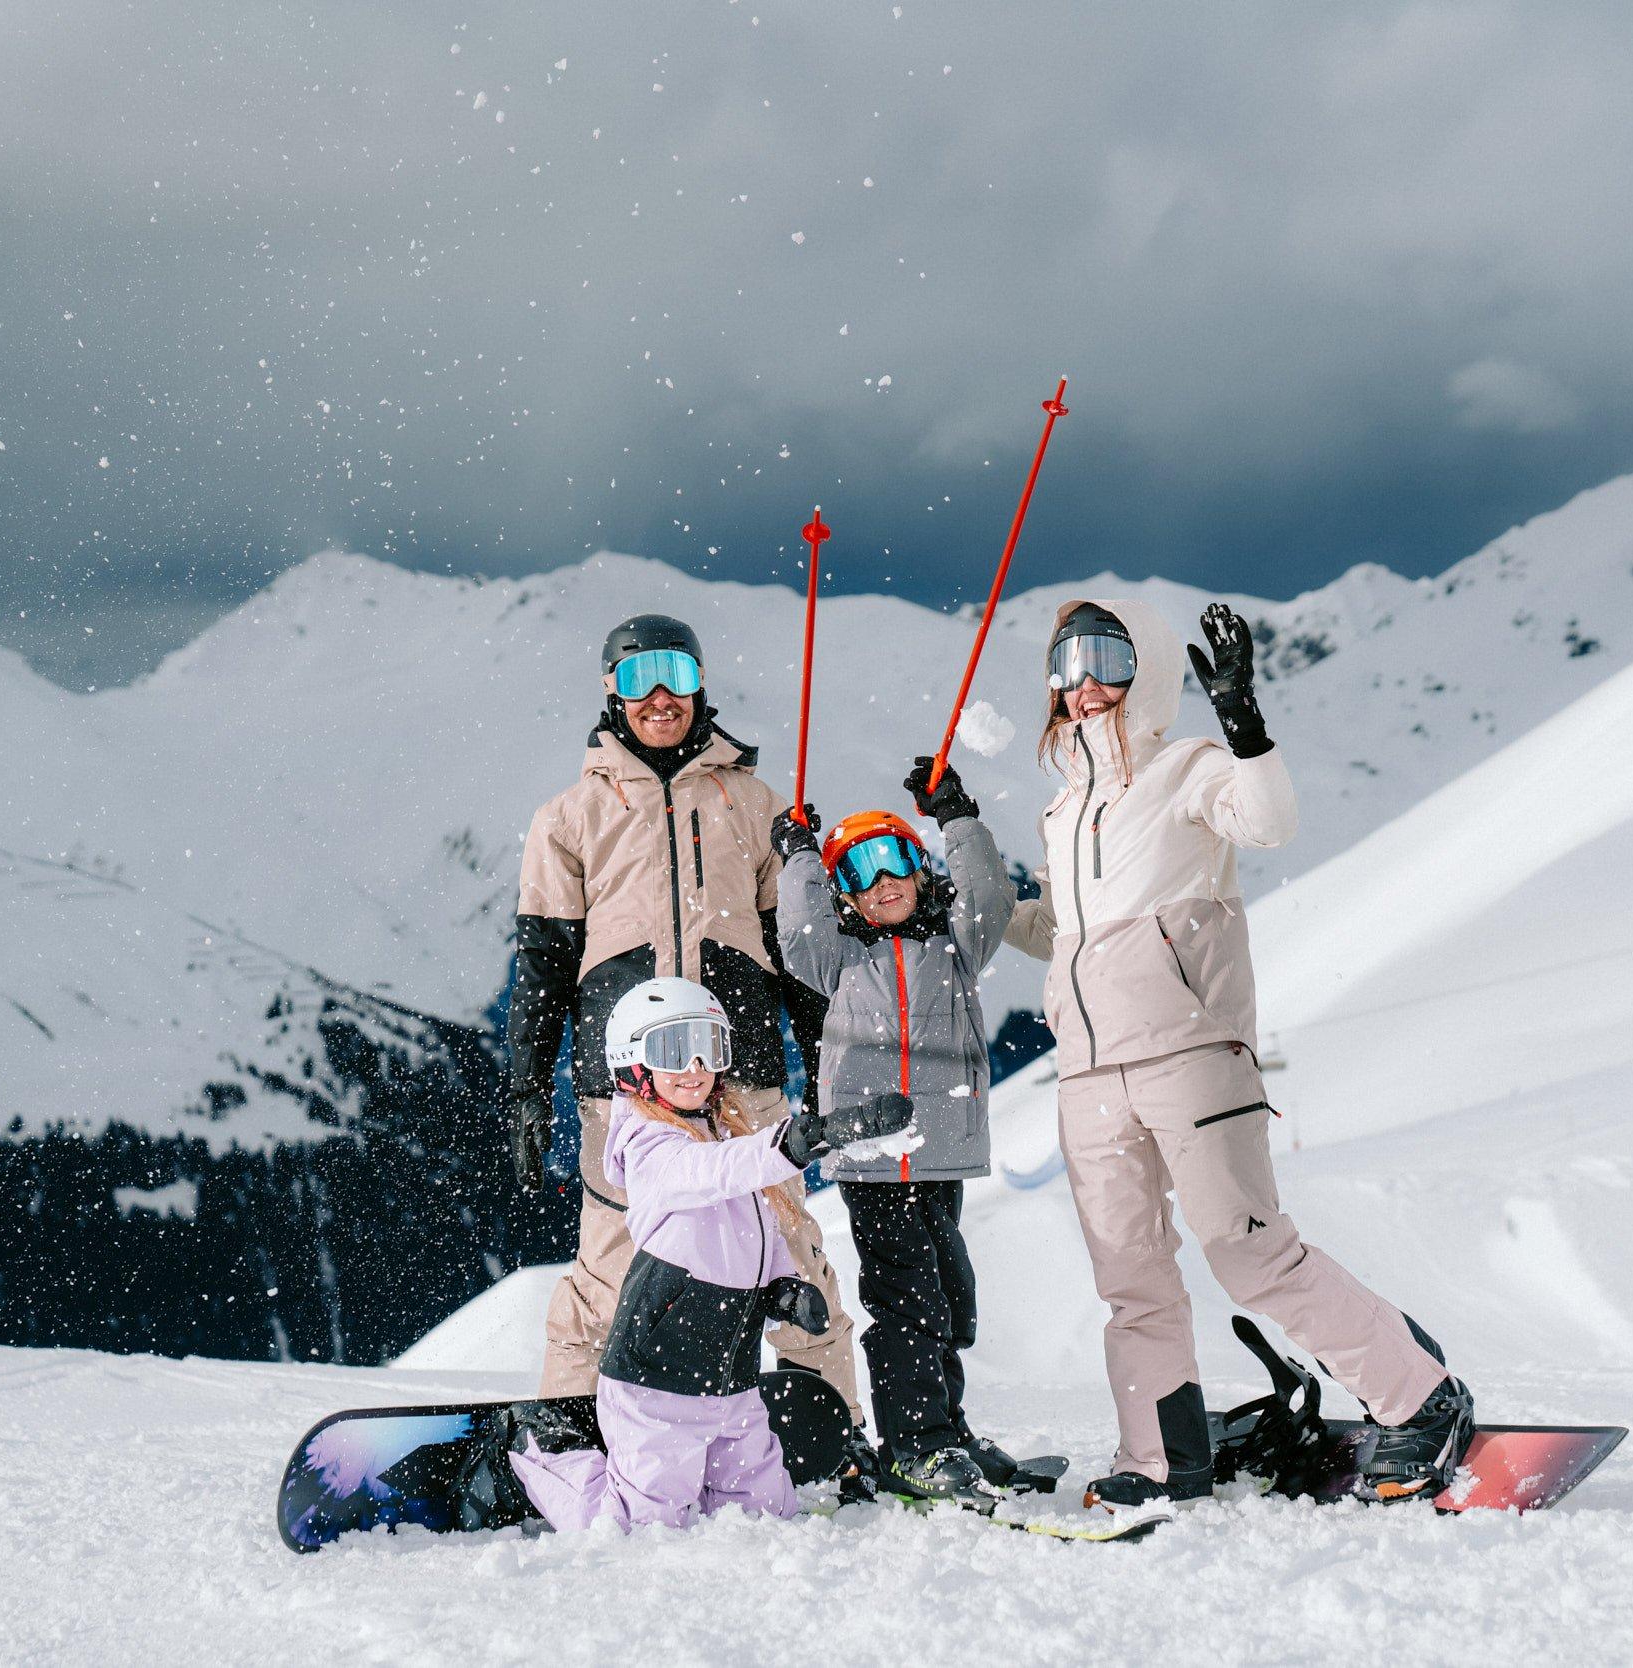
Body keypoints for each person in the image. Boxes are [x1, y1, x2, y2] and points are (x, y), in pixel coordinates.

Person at [1003, 597, 1476, 1511]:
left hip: (1189, 1052)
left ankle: (1420, 1397)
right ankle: (1158, 1458)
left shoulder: (1188, 768)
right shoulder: (1062, 811)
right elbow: (1070, 930)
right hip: (1089, 1074)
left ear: (1146, 670)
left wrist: (1245, 724)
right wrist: (969, 904)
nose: (1085, 682)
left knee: (1247, 1250)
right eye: (1066, 663)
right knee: (1131, 1280)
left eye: (1106, 656)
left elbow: (1269, 822)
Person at [504, 613, 861, 1431]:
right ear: (610, 692)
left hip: (741, 1082)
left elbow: (799, 955)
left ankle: (834, 1435)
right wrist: (526, 1086)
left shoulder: (756, 802)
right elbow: (544, 966)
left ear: (701, 683)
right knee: (609, 1271)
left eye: (675, 674)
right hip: (629, 1090)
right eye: (637, 678)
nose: (659, 696)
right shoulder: (570, 817)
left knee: (792, 1256)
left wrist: (826, 1060)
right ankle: (573, 1435)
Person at [508, 979, 915, 1533]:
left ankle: (693, 1476)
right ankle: (543, 1453)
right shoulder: (649, 1147)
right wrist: (798, 1141)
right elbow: (712, 1174)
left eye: (709, 1046)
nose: (695, 1066)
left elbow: (752, 1235)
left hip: (731, 1380)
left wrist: (781, 1291)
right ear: (632, 1063)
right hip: (657, 1383)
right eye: (673, 1050)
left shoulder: (726, 1133)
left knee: (765, 1514)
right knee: (641, 1525)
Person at [769, 757, 1019, 1507]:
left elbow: (991, 899)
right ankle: (915, 1444)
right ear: (847, 895)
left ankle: (947, 1427)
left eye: (896, 860)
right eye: (863, 872)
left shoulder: (954, 948)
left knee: (947, 1295)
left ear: (919, 866)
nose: (884, 882)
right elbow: (799, 931)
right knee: (907, 1300)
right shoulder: (844, 960)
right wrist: (801, 859)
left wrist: (958, 818)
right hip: (876, 1160)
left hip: (940, 1151)